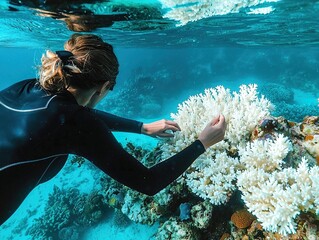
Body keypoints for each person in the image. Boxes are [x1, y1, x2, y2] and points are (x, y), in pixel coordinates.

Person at [0, 34, 226, 225]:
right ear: (103, 87)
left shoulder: (27, 87)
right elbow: (148, 182)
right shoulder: (73, 121)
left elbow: (72, 117)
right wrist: (202, 143)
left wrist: (141, 127)